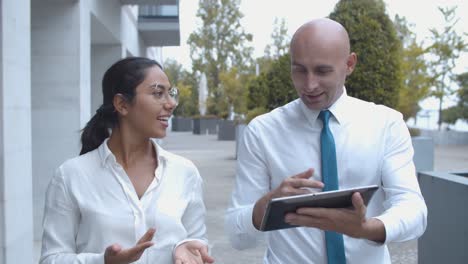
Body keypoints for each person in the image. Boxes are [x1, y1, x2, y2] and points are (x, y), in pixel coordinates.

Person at [225, 18, 427, 264]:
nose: (309, 85)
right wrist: (263, 208)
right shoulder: (262, 131)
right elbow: (237, 236)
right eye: (299, 70)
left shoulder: (386, 124)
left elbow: (414, 210)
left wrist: (367, 228)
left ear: (349, 64)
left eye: (322, 71)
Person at [40, 57, 214, 264]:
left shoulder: (185, 172)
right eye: (158, 93)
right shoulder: (70, 176)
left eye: (171, 93)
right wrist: (103, 261)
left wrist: (186, 248)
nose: (171, 104)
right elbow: (51, 259)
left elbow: (197, 240)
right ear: (122, 104)